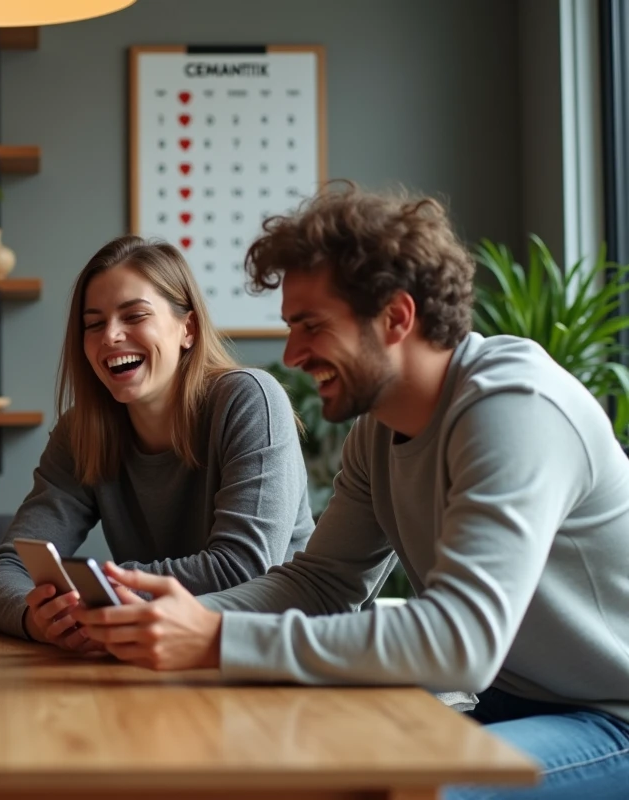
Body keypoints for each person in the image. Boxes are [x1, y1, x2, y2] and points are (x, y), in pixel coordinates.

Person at [72, 185, 629, 799]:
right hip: (509, 701)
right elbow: (322, 583)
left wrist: (215, 638)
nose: (291, 354)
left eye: (311, 326)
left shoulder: (514, 408)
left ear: (396, 316)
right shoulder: (379, 430)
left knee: (403, 789)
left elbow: (460, 641)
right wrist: (178, 619)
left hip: (609, 714)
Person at [0, 234, 315, 653]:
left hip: (267, 654)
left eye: (134, 316)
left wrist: (102, 590)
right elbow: (7, 568)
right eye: (94, 324)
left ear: (187, 328)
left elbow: (243, 568)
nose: (111, 337)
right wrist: (39, 618)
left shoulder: (250, 400)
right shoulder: (81, 431)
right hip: (151, 658)